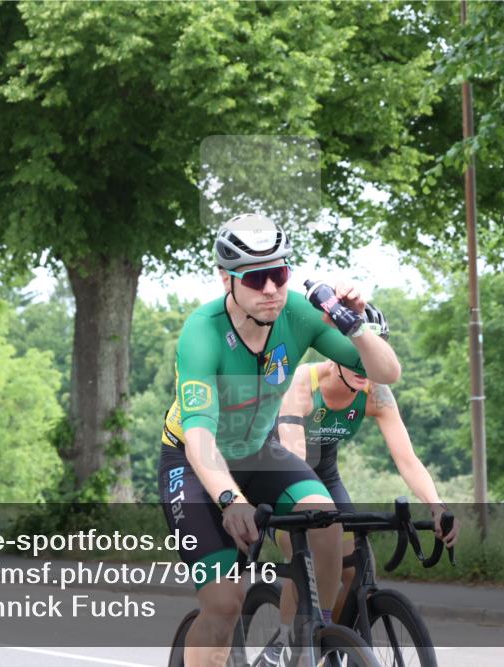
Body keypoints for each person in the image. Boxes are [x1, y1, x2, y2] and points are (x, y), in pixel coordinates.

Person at [158, 213, 401, 666]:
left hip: (259, 452)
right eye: (256, 278)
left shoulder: (299, 314)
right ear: (226, 279)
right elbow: (199, 434)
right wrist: (231, 501)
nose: (270, 288)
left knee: (327, 523)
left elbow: (386, 372)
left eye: (280, 274)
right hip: (193, 464)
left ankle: (294, 645)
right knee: (224, 605)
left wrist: (355, 325)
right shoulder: (203, 331)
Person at [263, 305, 460, 664]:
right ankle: (285, 644)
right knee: (309, 556)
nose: (362, 367)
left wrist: (437, 506)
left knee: (355, 568)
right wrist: (317, 514)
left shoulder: (376, 394)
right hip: (282, 478)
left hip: (327, 477)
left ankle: (332, 640)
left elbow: (407, 459)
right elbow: (293, 457)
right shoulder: (303, 384)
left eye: (367, 355)